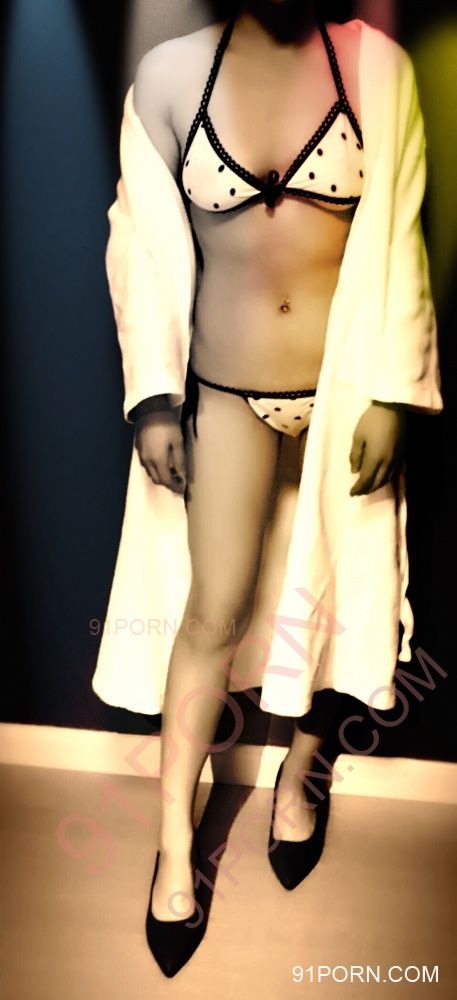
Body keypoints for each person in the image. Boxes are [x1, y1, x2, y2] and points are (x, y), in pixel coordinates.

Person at [93, 0, 442, 978]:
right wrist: (153, 399)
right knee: (213, 610)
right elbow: (138, 242)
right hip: (225, 388)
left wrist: (394, 392)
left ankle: (298, 777)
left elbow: (401, 229)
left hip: (342, 390)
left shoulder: (376, 69)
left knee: (324, 599)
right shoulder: (171, 76)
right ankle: (174, 843)